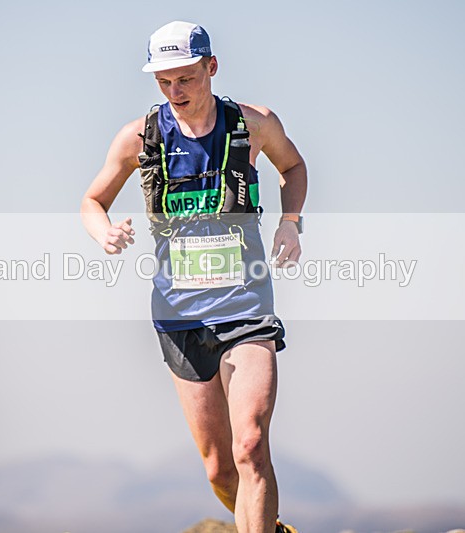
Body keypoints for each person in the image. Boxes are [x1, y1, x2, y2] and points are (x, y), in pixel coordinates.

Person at [81, 21, 307, 533]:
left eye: (184, 78)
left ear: (211, 67)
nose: (174, 93)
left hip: (246, 307)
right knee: (221, 469)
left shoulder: (253, 124)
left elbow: (293, 168)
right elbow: (92, 200)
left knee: (249, 443)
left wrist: (291, 224)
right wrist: (103, 233)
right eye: (163, 82)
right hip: (179, 315)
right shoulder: (139, 135)